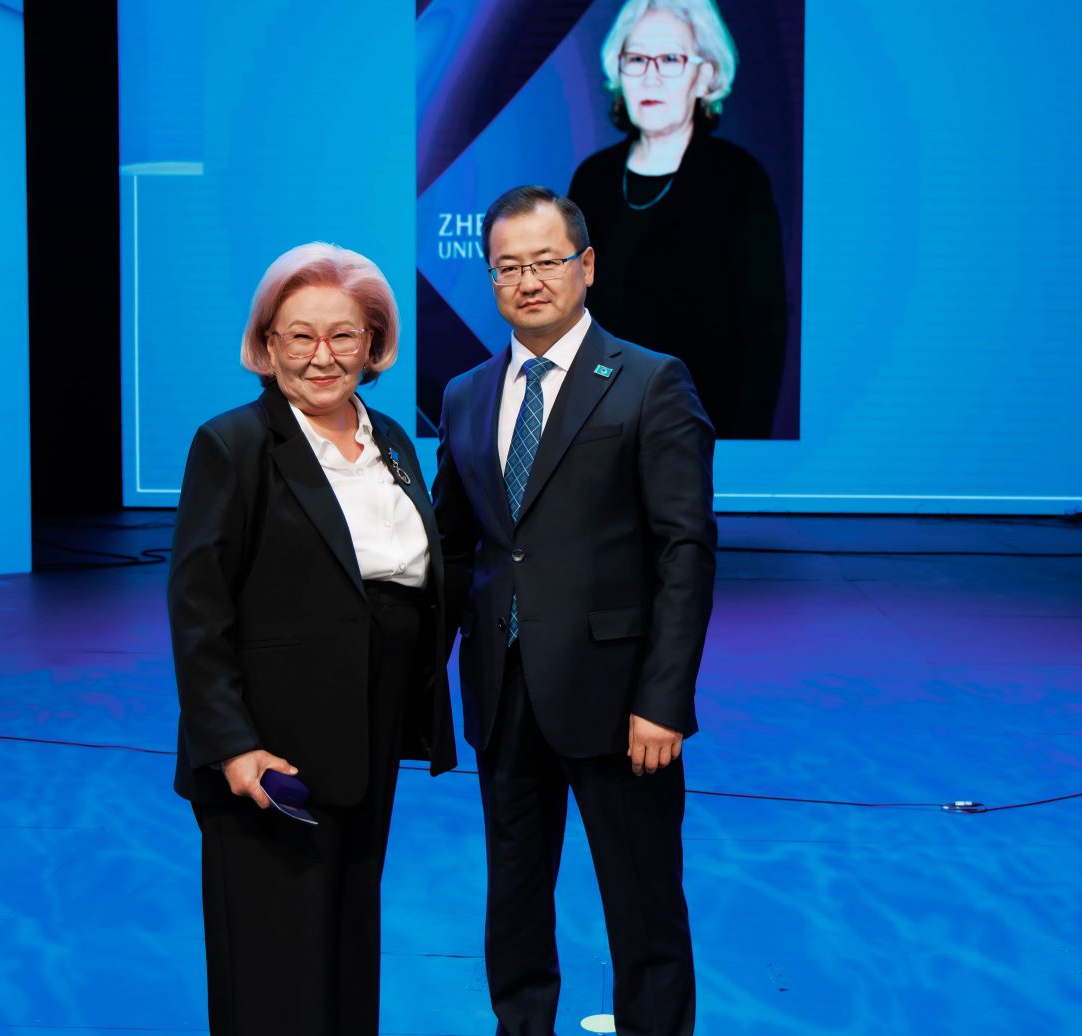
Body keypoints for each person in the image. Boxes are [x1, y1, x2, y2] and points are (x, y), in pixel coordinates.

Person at [432, 185, 716, 1035]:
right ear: (491, 279)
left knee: (643, 907)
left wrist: (664, 700)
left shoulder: (650, 381)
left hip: (620, 703)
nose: (527, 281)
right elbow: (456, 549)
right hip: (504, 692)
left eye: (546, 261)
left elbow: (684, 552)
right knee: (514, 899)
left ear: (586, 266)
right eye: (507, 267)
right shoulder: (465, 395)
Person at [167, 242, 456, 1036]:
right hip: (271, 756)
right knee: (274, 974)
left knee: (345, 955)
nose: (322, 356)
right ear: (267, 345)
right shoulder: (233, 444)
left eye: (343, 335)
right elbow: (198, 610)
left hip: (366, 744)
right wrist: (232, 746)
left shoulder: (392, 441)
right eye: (299, 335)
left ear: (373, 343)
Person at [569, 0, 787, 439]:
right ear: (618, 71)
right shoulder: (592, 178)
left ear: (706, 75)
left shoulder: (738, 178)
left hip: (704, 432)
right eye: (636, 59)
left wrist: (740, 447)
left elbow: (764, 332)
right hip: (601, 433)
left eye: (670, 59)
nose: (650, 76)